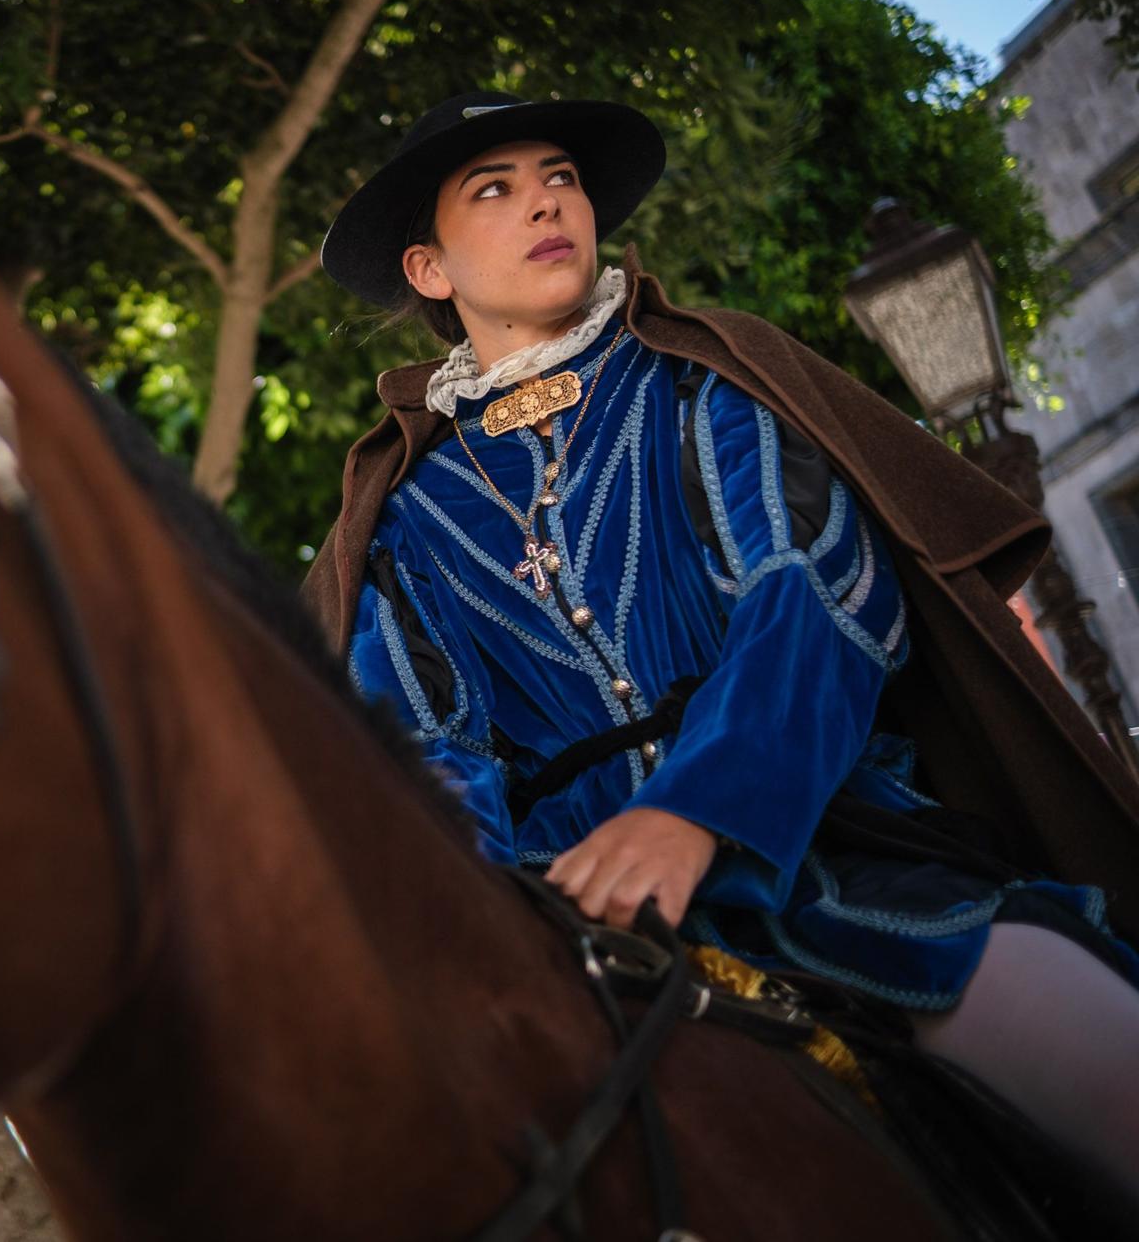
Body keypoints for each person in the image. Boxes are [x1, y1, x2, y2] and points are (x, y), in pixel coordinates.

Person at [303, 89, 1139, 1201]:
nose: (545, 201)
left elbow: (821, 598)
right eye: (492, 190)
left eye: (557, 175)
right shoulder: (402, 521)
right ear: (427, 271)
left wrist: (699, 809)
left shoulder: (706, 386)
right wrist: (507, 926)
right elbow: (415, 756)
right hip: (579, 943)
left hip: (839, 872)